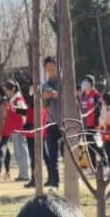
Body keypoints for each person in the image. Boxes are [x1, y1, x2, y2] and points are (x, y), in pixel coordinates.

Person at [42, 56, 62, 188]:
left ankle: (74, 177)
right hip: (51, 123)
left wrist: (56, 94)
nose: (50, 72)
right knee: (52, 154)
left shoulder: (64, 83)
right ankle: (54, 182)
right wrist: (46, 96)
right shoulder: (45, 85)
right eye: (48, 69)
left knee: (69, 153)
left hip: (66, 121)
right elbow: (44, 103)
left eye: (52, 69)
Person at [5, 80, 31, 182]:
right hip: (15, 130)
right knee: (18, 152)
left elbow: (24, 113)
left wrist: (21, 128)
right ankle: (22, 173)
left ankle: (25, 174)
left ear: (12, 89)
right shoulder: (13, 100)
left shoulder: (18, 99)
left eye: (7, 90)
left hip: (19, 130)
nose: (6, 92)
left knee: (22, 152)